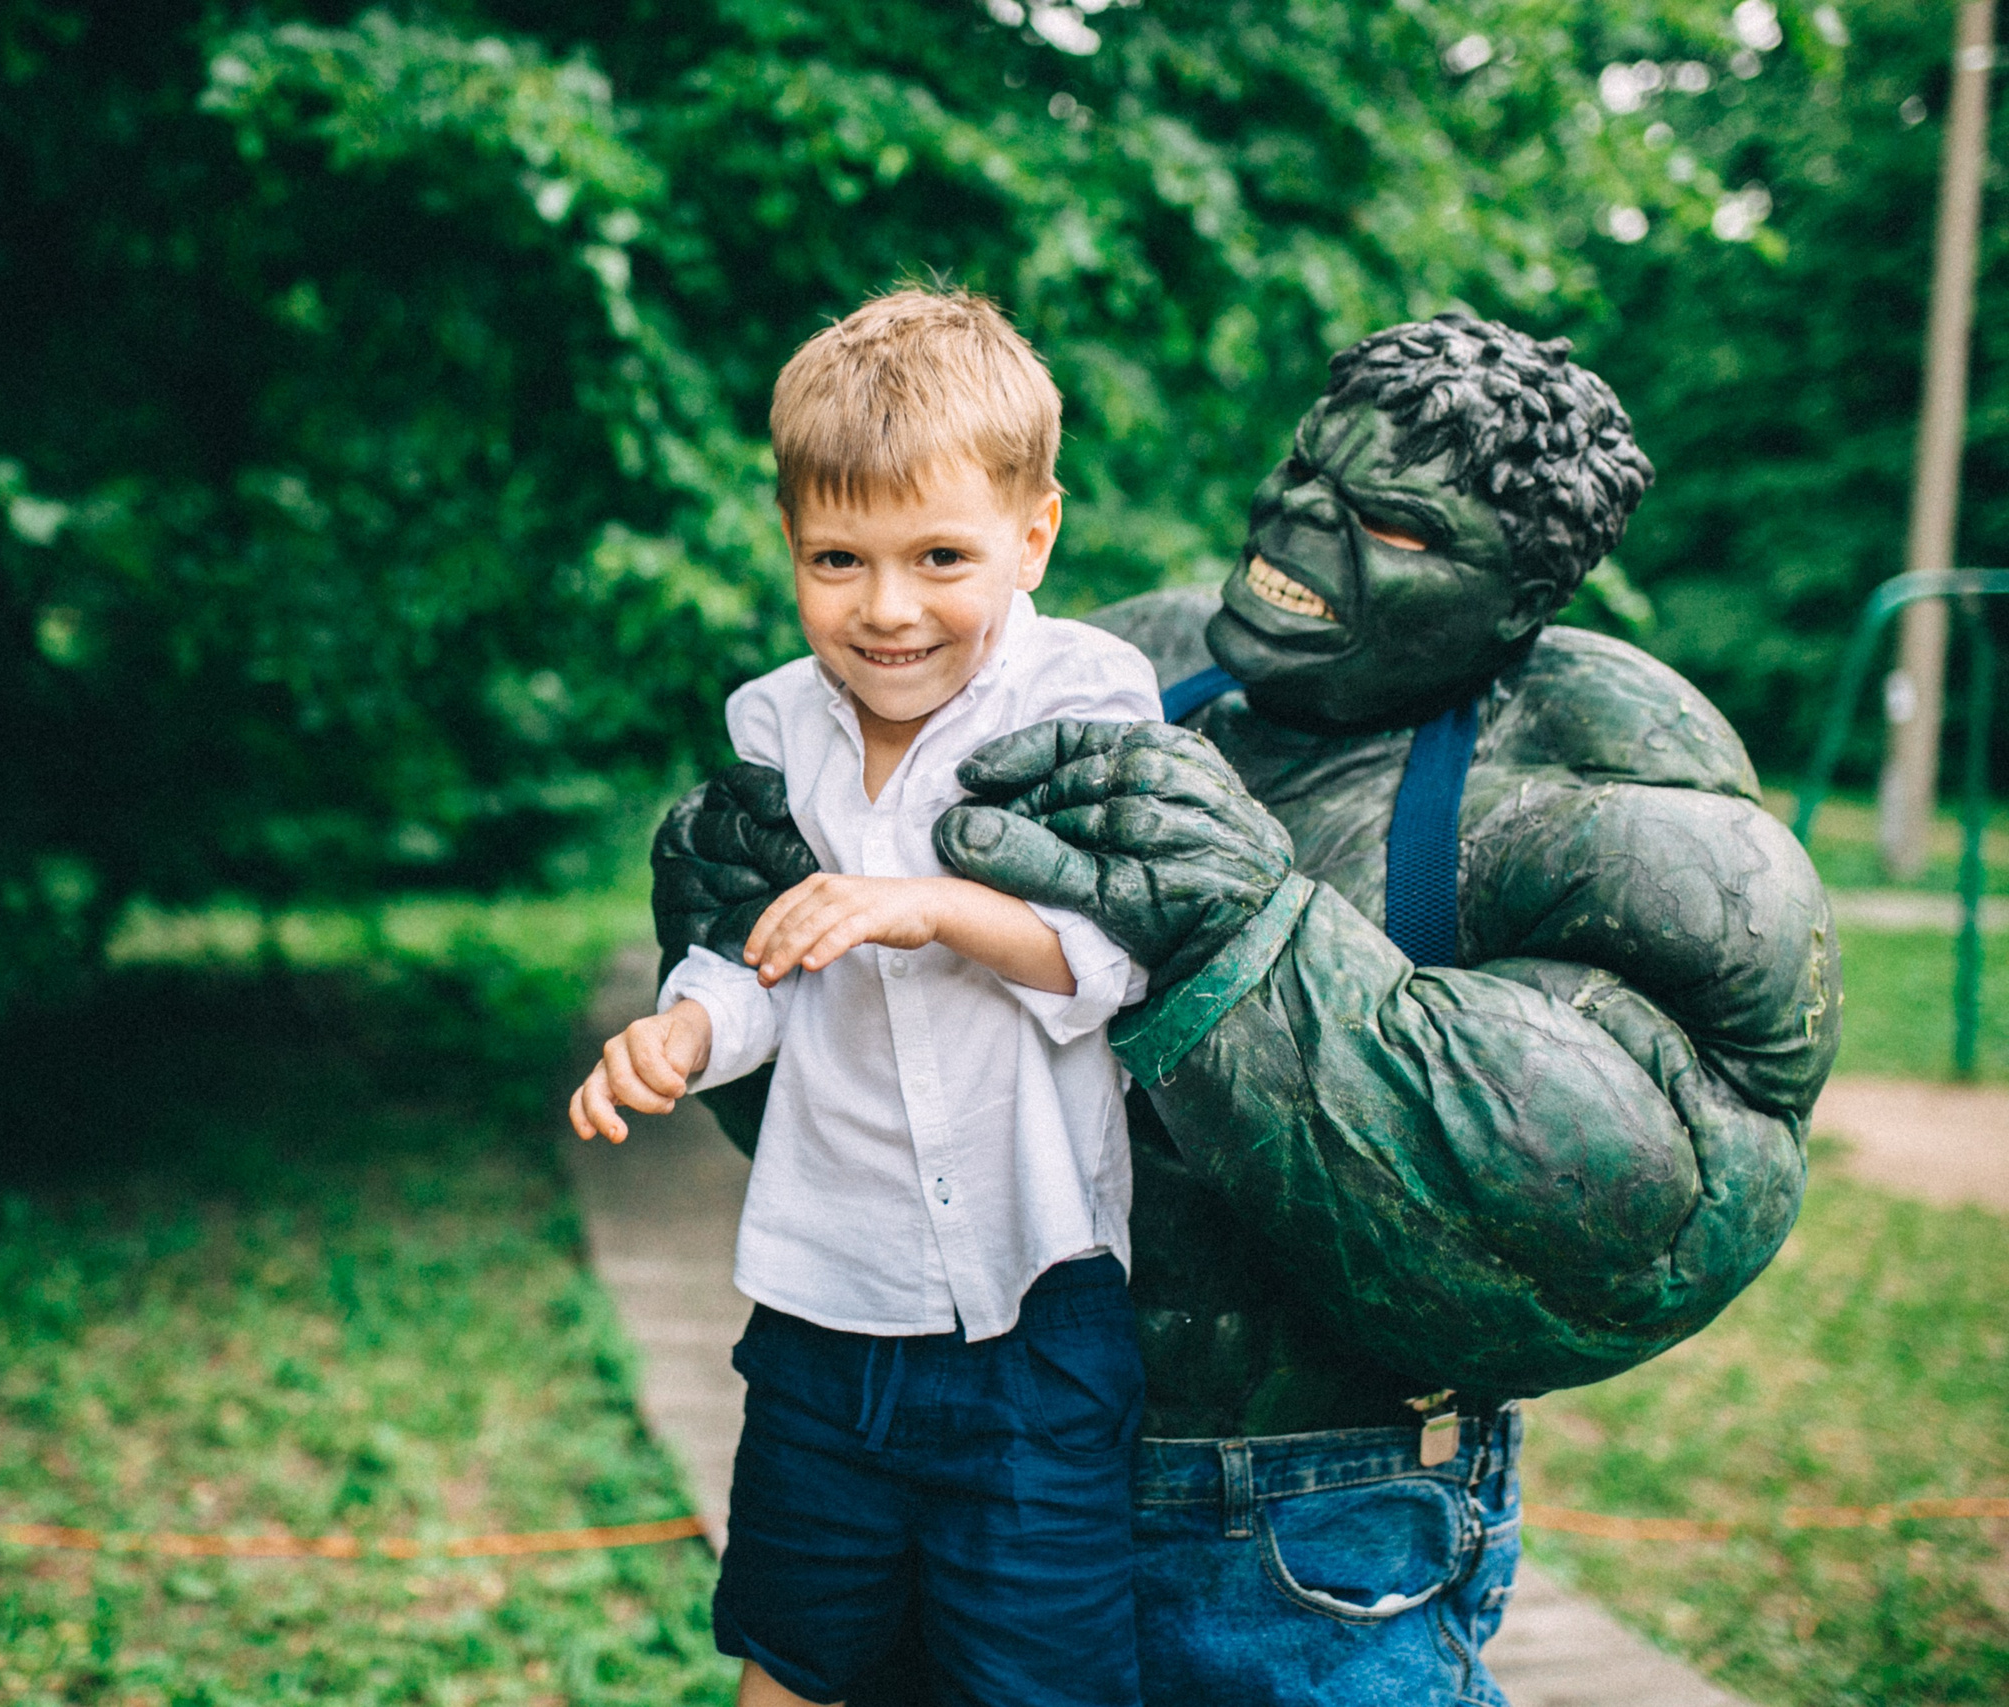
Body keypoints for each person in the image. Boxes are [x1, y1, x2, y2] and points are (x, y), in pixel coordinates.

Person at [654, 313, 1840, 1704]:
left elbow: (1609, 1232)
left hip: (1300, 1517)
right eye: (1303, 474)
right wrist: (743, 931)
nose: (1297, 524)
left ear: (1518, 598)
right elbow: (905, 1079)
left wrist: (1250, 936)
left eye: (1388, 524)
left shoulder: (1605, 801)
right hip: (988, 1439)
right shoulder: (1097, 675)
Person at [568, 288, 1166, 1707]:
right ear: (791, 550)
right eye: (840, 559)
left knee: (1037, 1678)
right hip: (825, 1300)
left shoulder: (1087, 697)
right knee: (793, 1648)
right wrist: (687, 1029)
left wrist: (934, 903)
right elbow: (766, 952)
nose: (887, 608)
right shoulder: (776, 721)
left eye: (941, 556)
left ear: (1035, 535)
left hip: (1037, 1311)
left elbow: (1120, 954)